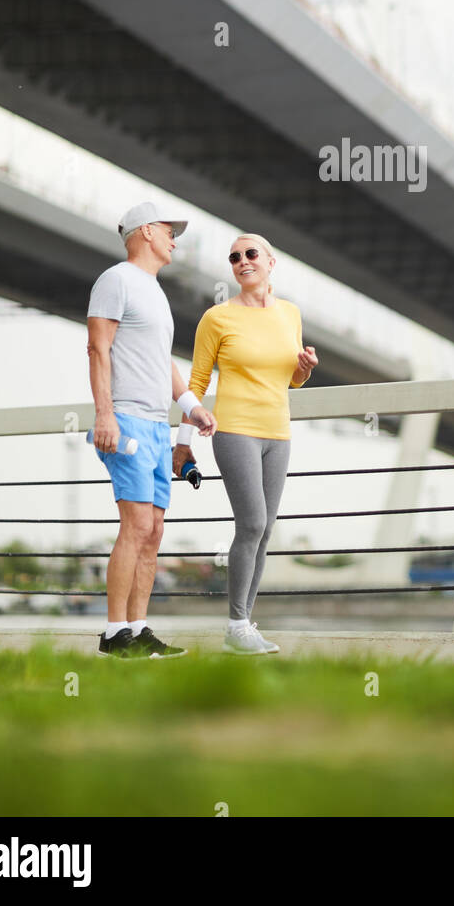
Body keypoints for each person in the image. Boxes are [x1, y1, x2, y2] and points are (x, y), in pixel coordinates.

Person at [87, 201, 217, 658]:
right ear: (145, 233)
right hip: (125, 419)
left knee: (155, 529)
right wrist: (105, 415)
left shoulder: (155, 293)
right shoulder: (115, 280)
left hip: (158, 426)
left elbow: (162, 363)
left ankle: (139, 628)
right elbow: (98, 349)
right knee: (137, 523)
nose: (174, 239)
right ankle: (113, 633)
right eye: (168, 231)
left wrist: (191, 406)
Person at [176, 233, 317, 655]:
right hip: (234, 430)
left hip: (279, 433)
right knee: (252, 523)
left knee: (266, 530)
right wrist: (183, 444)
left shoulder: (290, 314)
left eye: (251, 253)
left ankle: (245, 624)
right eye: (235, 257)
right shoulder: (217, 318)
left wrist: (305, 368)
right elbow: (197, 383)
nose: (242, 261)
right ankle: (236, 625)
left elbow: (291, 378)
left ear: (271, 262)